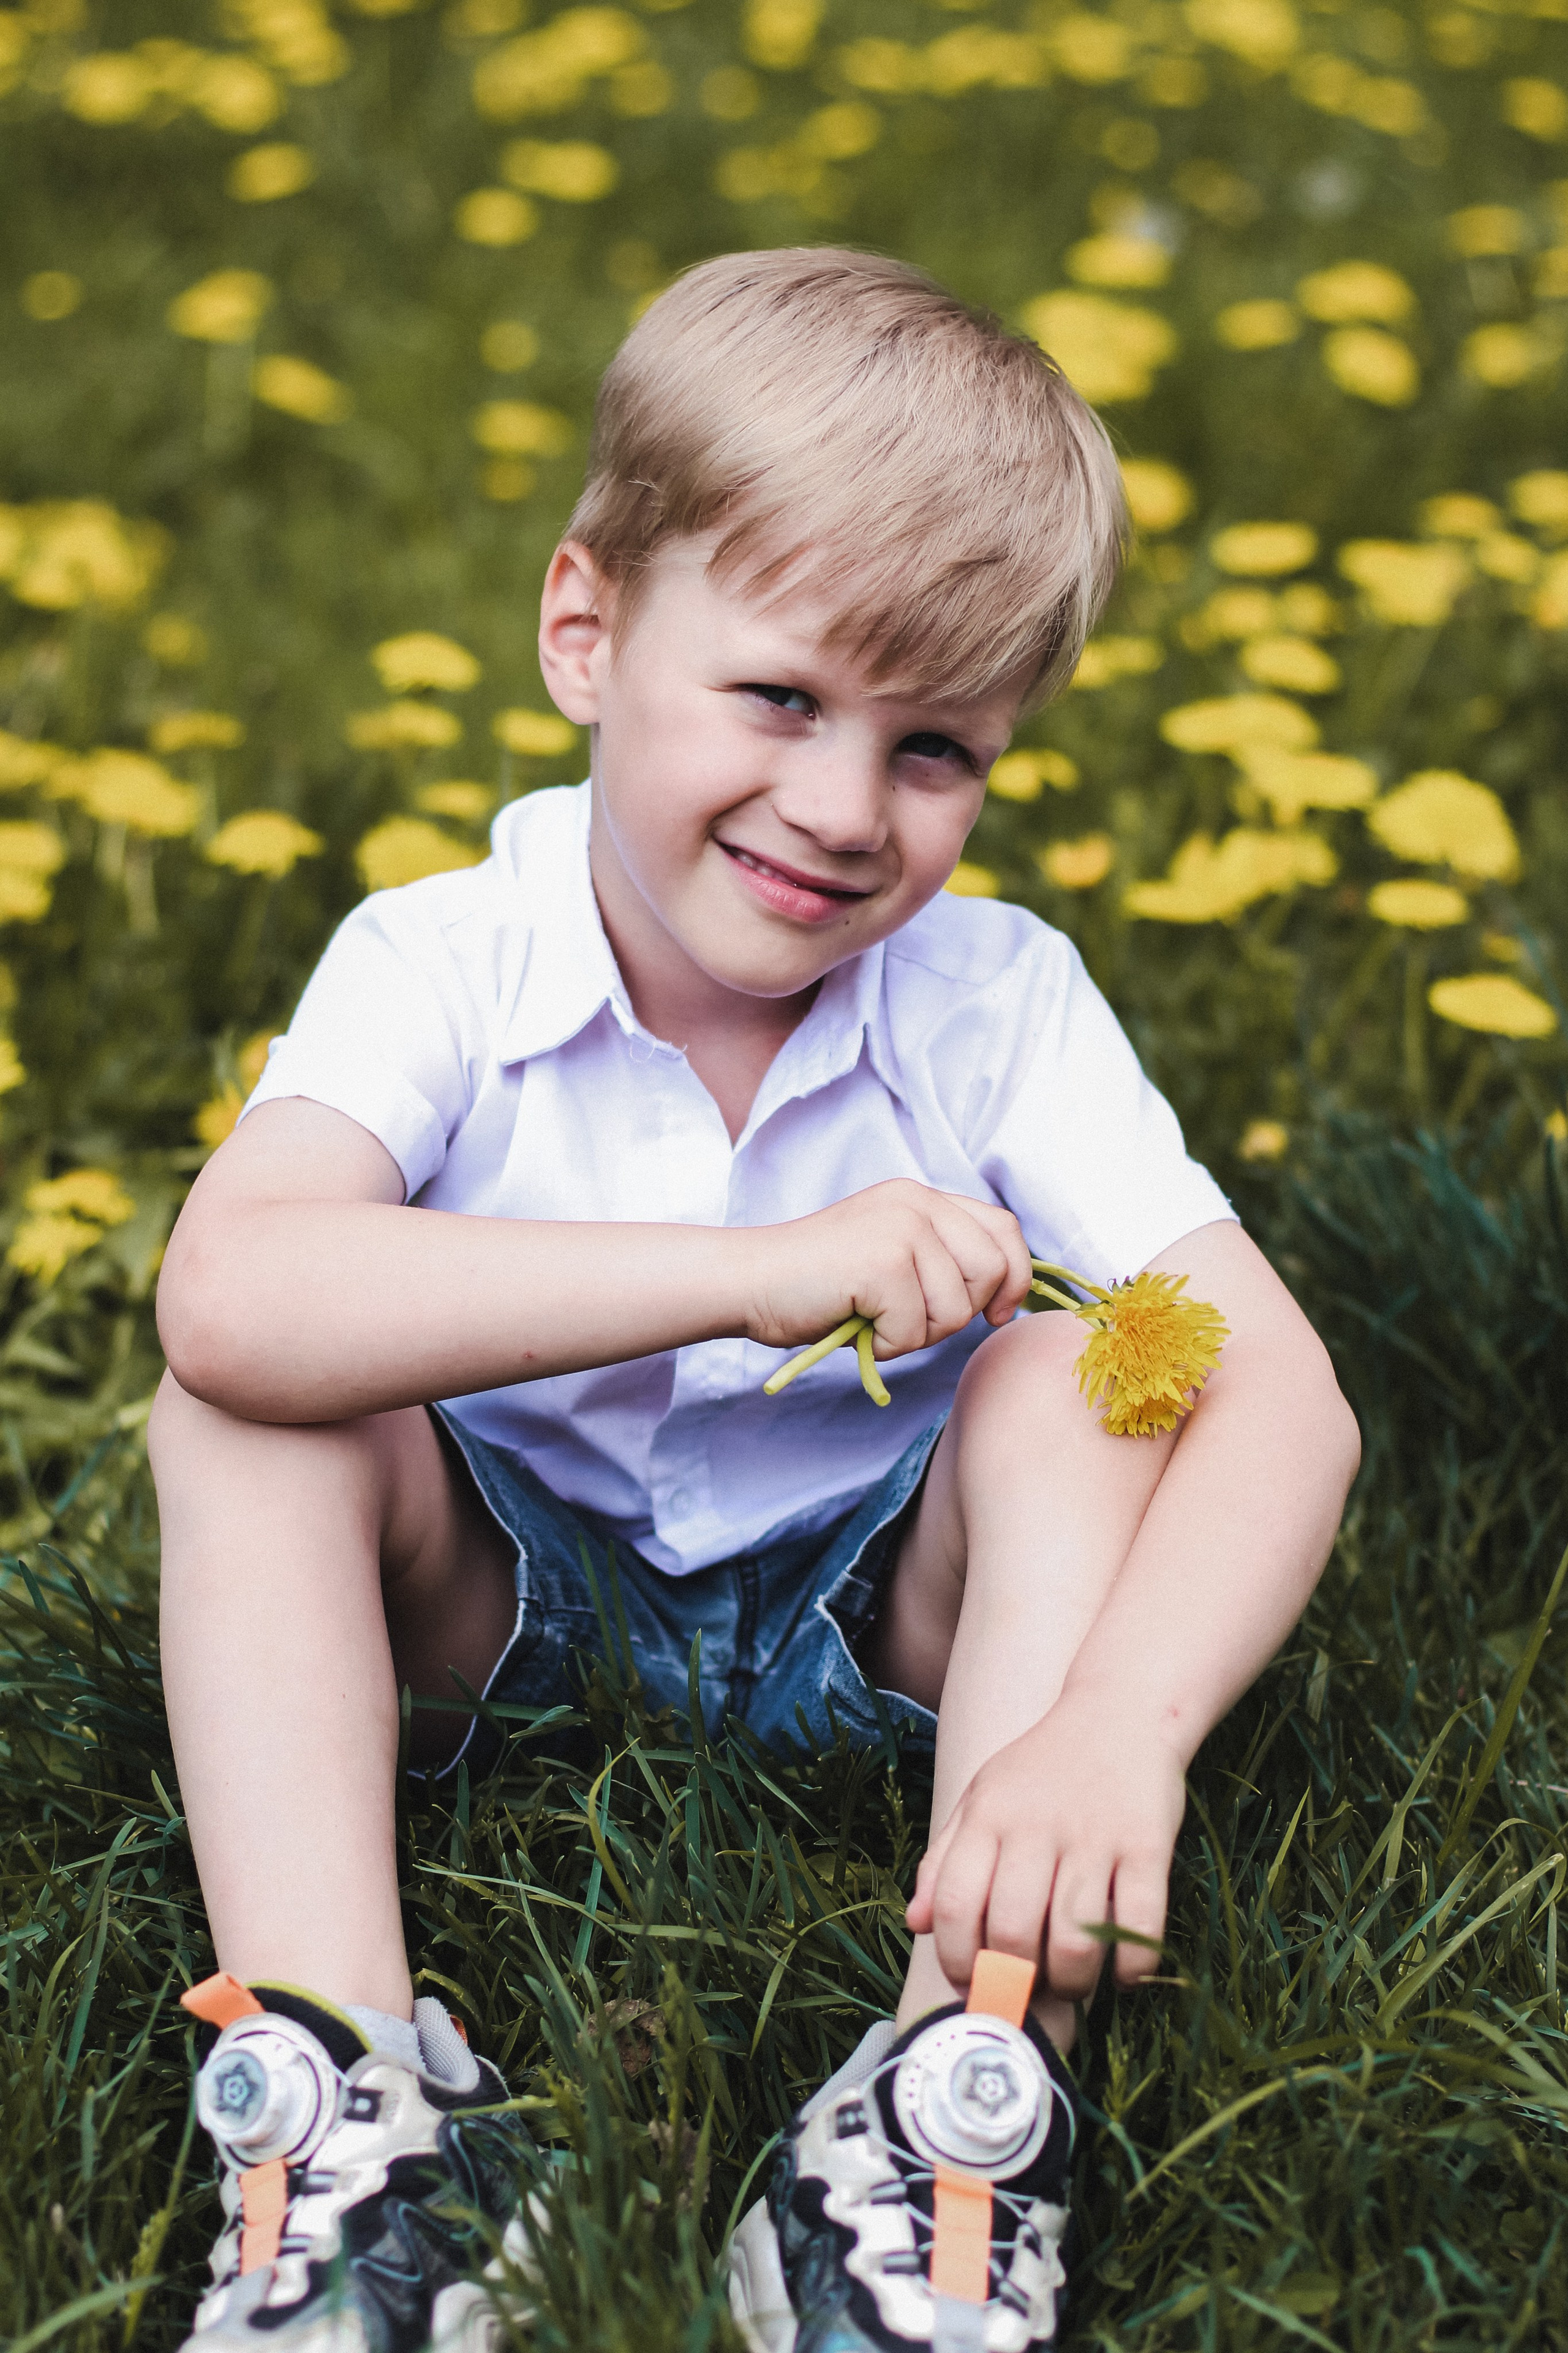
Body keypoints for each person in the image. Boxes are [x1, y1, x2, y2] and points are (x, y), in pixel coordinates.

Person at [149, 246, 1360, 2353]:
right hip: (501, 1596)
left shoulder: (995, 1003)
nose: (839, 807)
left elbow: (1292, 1400)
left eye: (936, 750)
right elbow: (229, 1293)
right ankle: (344, 2113)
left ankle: (947, 2109)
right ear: (586, 629)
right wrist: (756, 1272)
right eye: (783, 698)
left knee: (1094, 1375)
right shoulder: (443, 955)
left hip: (867, 1599)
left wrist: (1114, 1731)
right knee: (254, 1409)